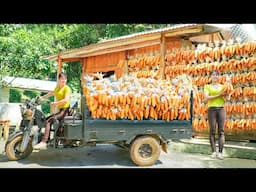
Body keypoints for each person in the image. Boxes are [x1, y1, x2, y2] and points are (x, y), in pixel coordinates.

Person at [33, 72, 72, 150]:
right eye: (62, 79)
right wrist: (42, 97)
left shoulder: (67, 88)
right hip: (60, 110)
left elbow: (66, 100)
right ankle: (49, 140)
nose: (63, 81)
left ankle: (44, 142)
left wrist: (55, 103)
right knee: (47, 119)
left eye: (65, 80)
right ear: (58, 80)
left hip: (65, 111)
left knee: (48, 121)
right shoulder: (57, 88)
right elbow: (51, 93)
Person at [204, 70, 228, 160]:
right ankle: (213, 152)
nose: (215, 76)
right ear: (210, 77)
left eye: (217, 75)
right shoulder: (207, 86)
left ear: (219, 77)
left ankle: (220, 153)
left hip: (221, 109)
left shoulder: (223, 87)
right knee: (212, 130)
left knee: (221, 131)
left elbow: (226, 97)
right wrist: (219, 95)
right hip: (212, 109)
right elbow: (206, 98)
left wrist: (227, 94)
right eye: (213, 75)